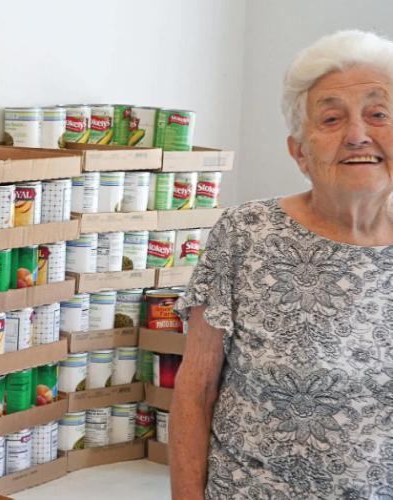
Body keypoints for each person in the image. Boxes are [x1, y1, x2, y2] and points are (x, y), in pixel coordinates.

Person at [169, 29, 393, 500]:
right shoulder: (246, 233)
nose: (358, 136)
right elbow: (195, 390)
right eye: (331, 118)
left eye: (379, 114)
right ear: (300, 152)